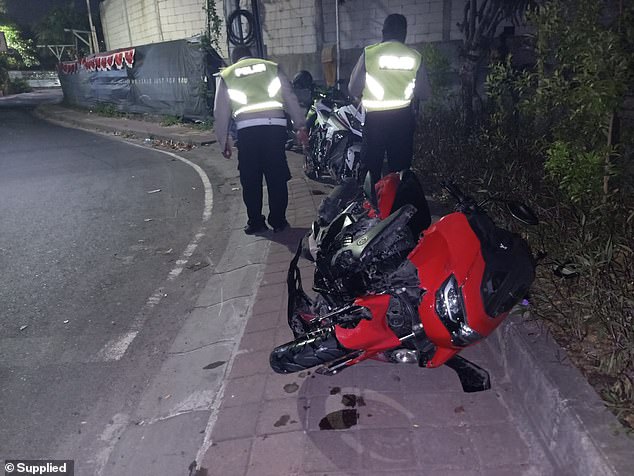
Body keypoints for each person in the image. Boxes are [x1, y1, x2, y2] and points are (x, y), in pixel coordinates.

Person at [214, 46, 308, 234]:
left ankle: (256, 222)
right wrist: (301, 126)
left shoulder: (228, 74)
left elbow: (220, 112)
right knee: (276, 177)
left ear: (235, 59)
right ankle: (279, 221)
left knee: (251, 179)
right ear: (251, 56)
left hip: (248, 133)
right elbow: (290, 98)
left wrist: (223, 140)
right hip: (275, 129)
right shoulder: (271, 67)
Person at [348, 13, 432, 186]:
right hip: (403, 120)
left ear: (383, 31)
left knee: (370, 167)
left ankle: (370, 206)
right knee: (400, 170)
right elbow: (424, 93)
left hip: (375, 121)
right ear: (404, 33)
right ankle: (396, 206)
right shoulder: (415, 56)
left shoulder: (370, 53)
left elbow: (353, 88)